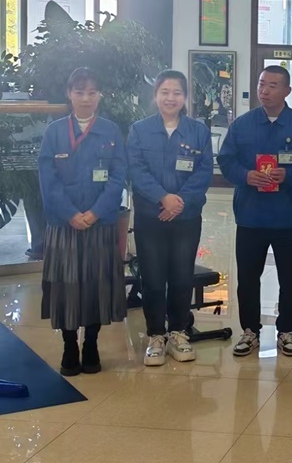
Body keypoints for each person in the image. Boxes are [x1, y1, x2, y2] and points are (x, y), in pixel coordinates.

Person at [218, 65, 292, 358]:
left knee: (289, 278)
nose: (264, 91)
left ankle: (286, 330)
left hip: (288, 217)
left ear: (287, 91)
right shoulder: (242, 125)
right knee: (247, 278)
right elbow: (226, 161)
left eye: (272, 86)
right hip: (251, 216)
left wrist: (289, 175)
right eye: (261, 84)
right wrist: (246, 175)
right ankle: (250, 331)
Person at [38, 67, 127, 376]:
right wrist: (70, 214)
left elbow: (117, 177)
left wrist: (95, 212)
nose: (86, 98)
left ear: (99, 95)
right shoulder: (54, 132)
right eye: (79, 92)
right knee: (66, 287)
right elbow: (47, 180)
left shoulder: (111, 131)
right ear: (69, 94)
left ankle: (91, 344)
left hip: (99, 223)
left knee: (96, 286)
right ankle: (69, 345)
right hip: (64, 225)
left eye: (91, 92)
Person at [127, 70, 213, 366]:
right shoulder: (139, 130)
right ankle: (155, 335)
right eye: (165, 92)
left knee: (181, 276)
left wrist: (179, 202)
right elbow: (137, 170)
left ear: (185, 98)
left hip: (186, 217)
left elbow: (203, 172)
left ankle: (178, 332)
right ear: (156, 96)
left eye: (177, 92)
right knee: (152, 278)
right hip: (151, 216)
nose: (170, 98)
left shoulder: (198, 131)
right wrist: (163, 198)